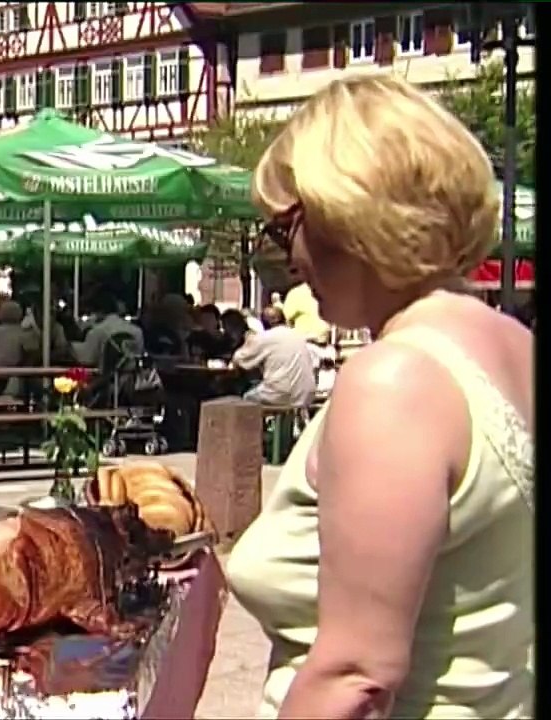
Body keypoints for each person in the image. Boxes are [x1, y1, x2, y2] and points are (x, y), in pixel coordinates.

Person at [226, 75, 533, 718]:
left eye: (285, 229)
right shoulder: (513, 346)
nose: (288, 259)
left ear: (347, 211)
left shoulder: (396, 381)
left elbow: (356, 676)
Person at [231, 306, 315, 407]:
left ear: (264, 323)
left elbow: (239, 359)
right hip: (306, 394)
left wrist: (247, 340)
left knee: (247, 397)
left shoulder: (265, 337)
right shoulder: (298, 335)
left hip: (279, 394)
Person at [73, 297, 145, 367]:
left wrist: (70, 346)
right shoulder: (137, 331)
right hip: (131, 373)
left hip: (106, 373)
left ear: (99, 312)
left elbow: (87, 360)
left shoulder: (97, 331)